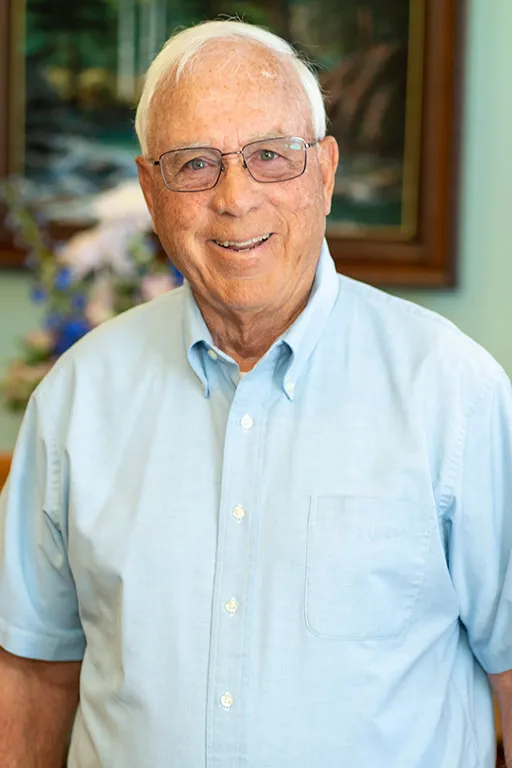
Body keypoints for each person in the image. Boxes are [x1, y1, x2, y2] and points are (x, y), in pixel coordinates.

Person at [0, 19, 511, 768]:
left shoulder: (454, 394)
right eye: (196, 165)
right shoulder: (78, 398)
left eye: (271, 156)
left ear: (326, 172)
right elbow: (34, 672)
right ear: (150, 190)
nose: (236, 198)